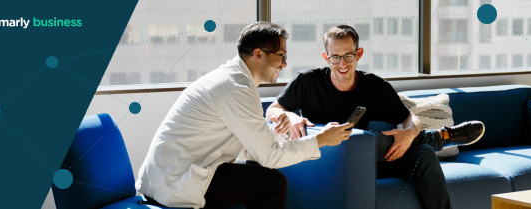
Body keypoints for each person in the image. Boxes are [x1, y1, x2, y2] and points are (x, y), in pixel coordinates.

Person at [135, 22, 353, 209]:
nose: (284, 63)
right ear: (258, 54)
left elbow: (250, 144)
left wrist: (273, 133)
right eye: (281, 56)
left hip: (170, 177)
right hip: (173, 185)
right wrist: (321, 139)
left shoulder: (234, 80)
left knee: (257, 173)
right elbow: (269, 157)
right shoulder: (236, 88)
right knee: (273, 183)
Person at [265, 25, 485, 209]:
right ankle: (436, 137)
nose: (342, 63)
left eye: (348, 56)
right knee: (357, 138)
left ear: (358, 54)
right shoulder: (307, 81)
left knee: (423, 154)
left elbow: (411, 119)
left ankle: (429, 141)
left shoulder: (375, 86)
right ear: (326, 57)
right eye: (335, 57)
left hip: (363, 160)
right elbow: (271, 110)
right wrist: (290, 116)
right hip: (319, 158)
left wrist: (409, 133)